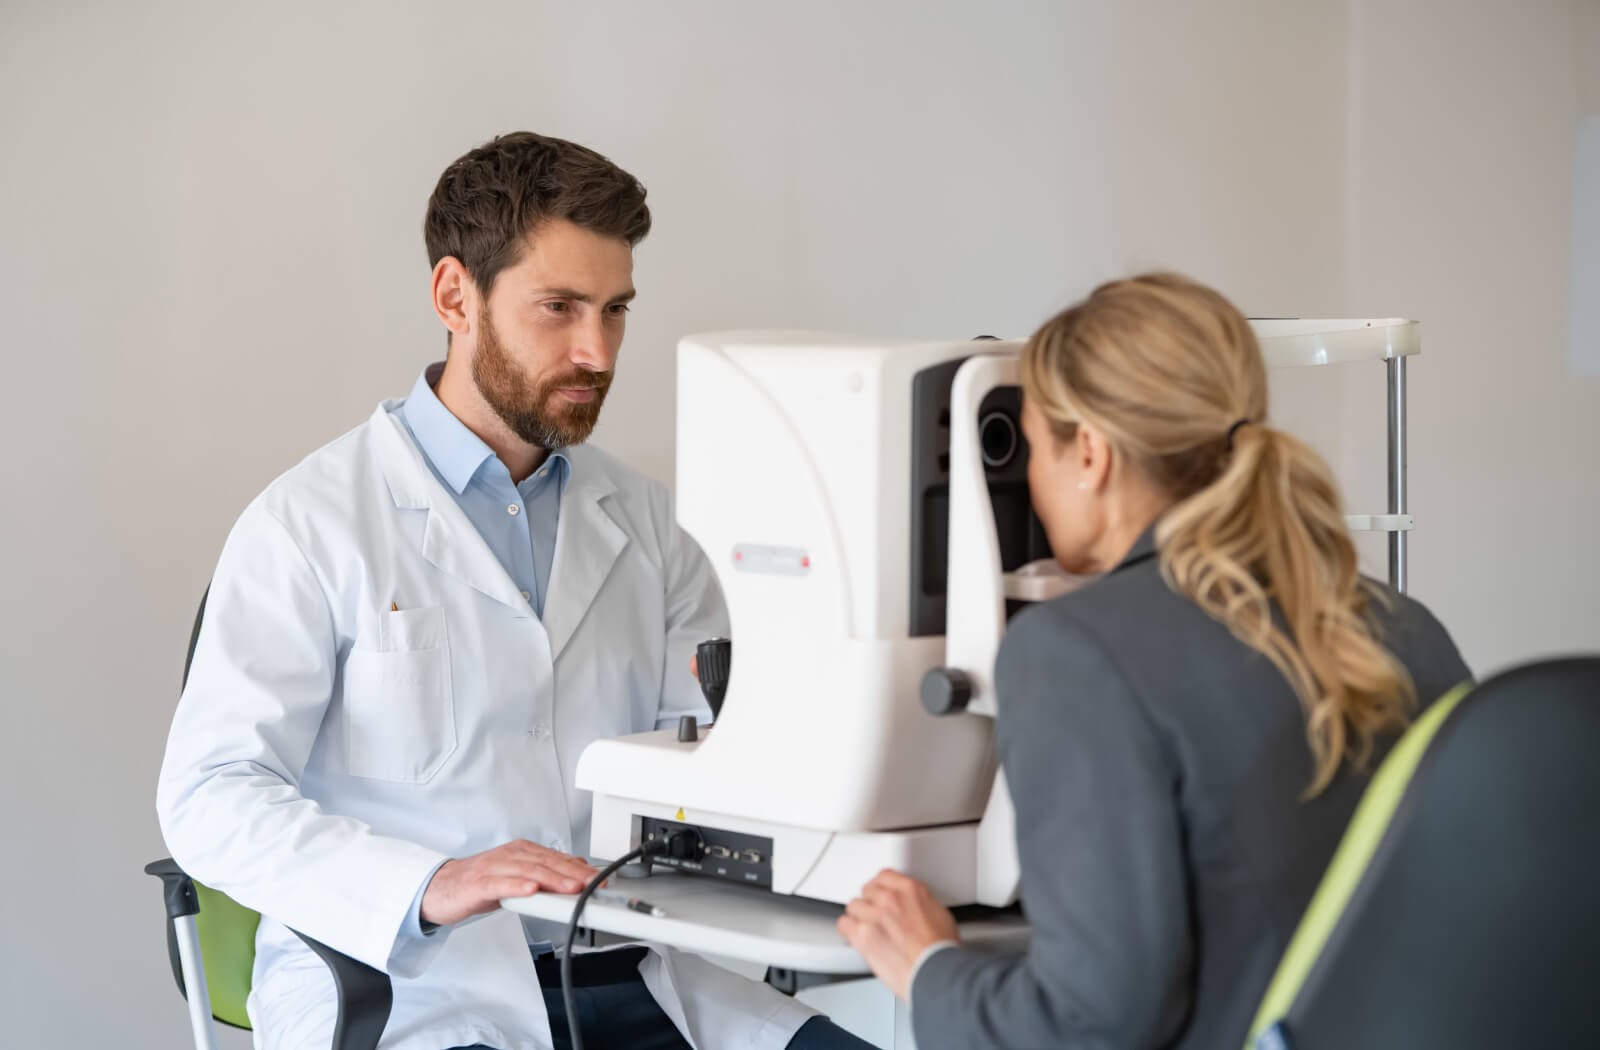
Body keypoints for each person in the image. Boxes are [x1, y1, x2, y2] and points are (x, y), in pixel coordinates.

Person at [157, 132, 870, 1050]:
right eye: (559, 307)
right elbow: (210, 795)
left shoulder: (649, 524)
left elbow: (707, 761)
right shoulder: (307, 524)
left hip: (631, 969)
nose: (597, 350)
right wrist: (428, 885)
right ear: (456, 295)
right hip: (411, 983)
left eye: (615, 310)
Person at [838, 273, 1472, 1048]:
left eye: (1034, 448)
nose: (1029, 487)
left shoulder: (1076, 655)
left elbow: (1090, 1030)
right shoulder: (1406, 624)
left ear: (1092, 456)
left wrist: (928, 966)